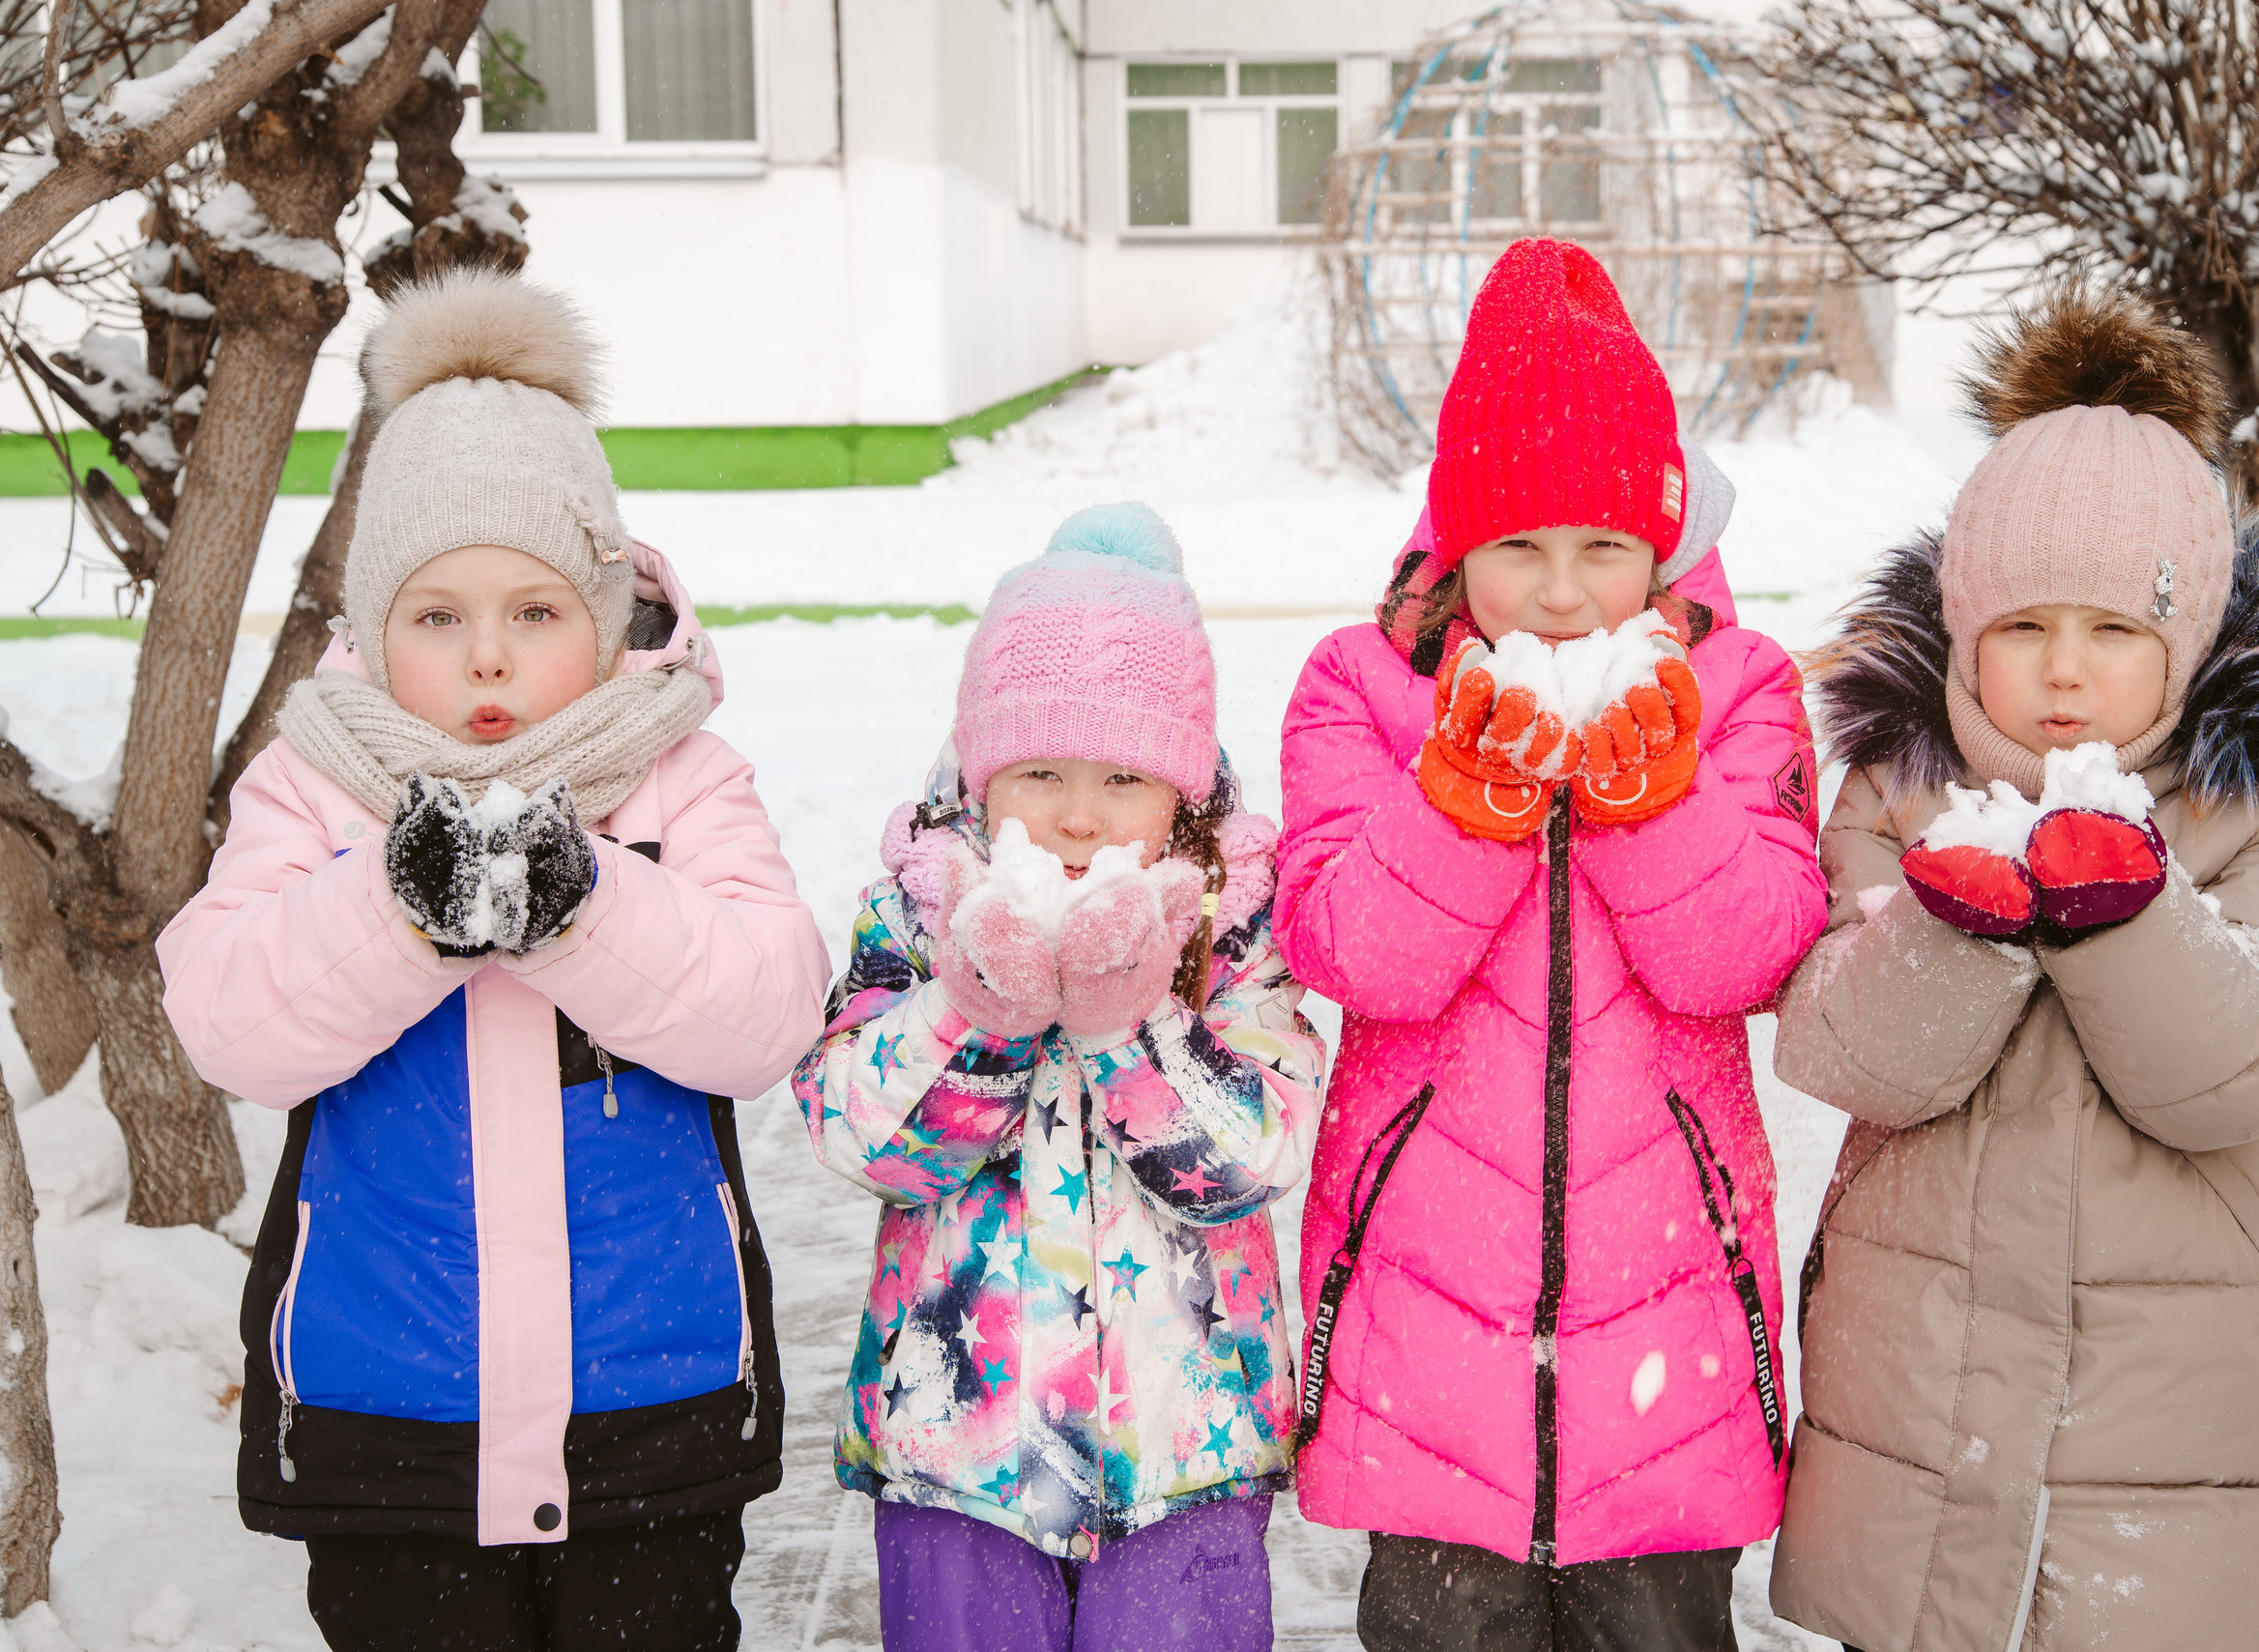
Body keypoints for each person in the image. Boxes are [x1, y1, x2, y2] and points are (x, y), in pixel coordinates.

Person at [158, 269, 828, 1651]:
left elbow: (767, 1012)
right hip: (393, 1408)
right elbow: (232, 1023)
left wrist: (583, 905)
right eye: (437, 615)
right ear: (369, 626)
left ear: (601, 608)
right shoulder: (315, 788)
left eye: (534, 613)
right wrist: (399, 907)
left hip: (649, 1402)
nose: (488, 663)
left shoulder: (674, 780)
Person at [1766, 285, 2259, 1652]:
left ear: (2185, 635)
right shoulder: (1899, 790)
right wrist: (1956, 928)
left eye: (2114, 630)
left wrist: (2130, 915)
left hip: (2160, 1443)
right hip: (1918, 1420)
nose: (2064, 673)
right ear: (1964, 627)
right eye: (2023, 627)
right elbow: (1839, 1048)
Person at [1271, 236, 1828, 1651]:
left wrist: (1656, 803)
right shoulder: (1365, 692)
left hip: (1671, 1331)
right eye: (1518, 546)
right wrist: (1462, 807)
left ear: (1665, 545)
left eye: (1603, 548)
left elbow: (1752, 956)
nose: (1565, 593)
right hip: (1424, 1327)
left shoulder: (1742, 690)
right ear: (1458, 550)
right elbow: (1350, 949)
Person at [795, 503, 1327, 1652]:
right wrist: (977, 1014)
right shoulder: (922, 910)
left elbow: (1257, 1154)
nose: (1080, 814)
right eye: (1040, 768)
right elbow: (856, 1130)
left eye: (1124, 777)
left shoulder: (1230, 926)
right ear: (985, 774)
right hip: (959, 1450)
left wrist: (1126, 1024)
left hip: (1187, 1452)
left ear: (1180, 789)